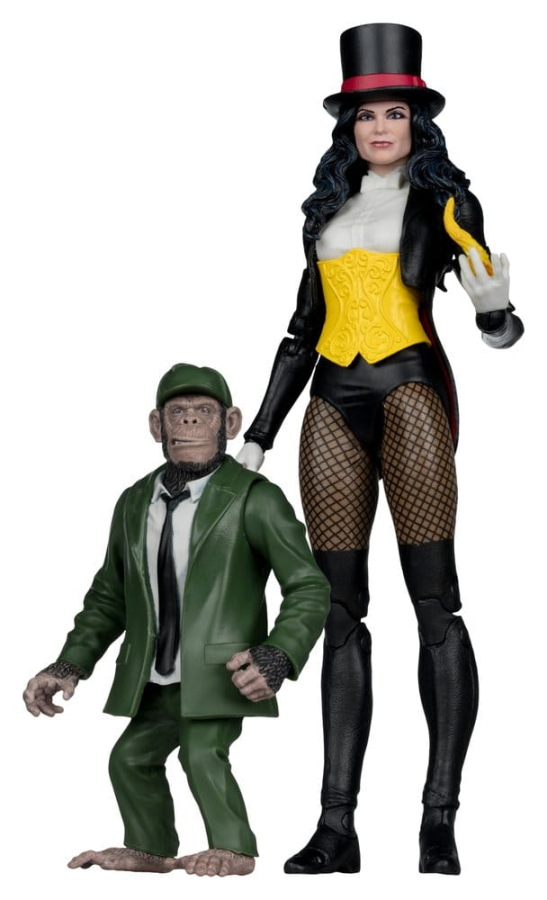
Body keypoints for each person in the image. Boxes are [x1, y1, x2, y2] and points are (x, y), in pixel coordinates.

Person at [237, 23, 523, 876]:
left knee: (434, 604)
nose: (379, 127)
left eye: (394, 112)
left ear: (416, 122)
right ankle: (337, 827)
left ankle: (438, 819)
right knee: (336, 610)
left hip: (410, 392)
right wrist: (257, 435)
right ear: (348, 127)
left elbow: (499, 330)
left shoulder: (444, 203)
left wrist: (494, 312)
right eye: (365, 115)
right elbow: (300, 329)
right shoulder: (323, 213)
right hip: (331, 399)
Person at [23, 362, 329, 877]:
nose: (189, 421)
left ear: (230, 423)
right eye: (178, 412)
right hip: (155, 673)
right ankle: (150, 848)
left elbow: (309, 585)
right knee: (129, 759)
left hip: (220, 670)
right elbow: (109, 597)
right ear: (156, 425)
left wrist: (278, 654)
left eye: (203, 411)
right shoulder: (134, 502)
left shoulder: (254, 497)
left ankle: (234, 848)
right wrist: (68, 665)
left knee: (202, 753)